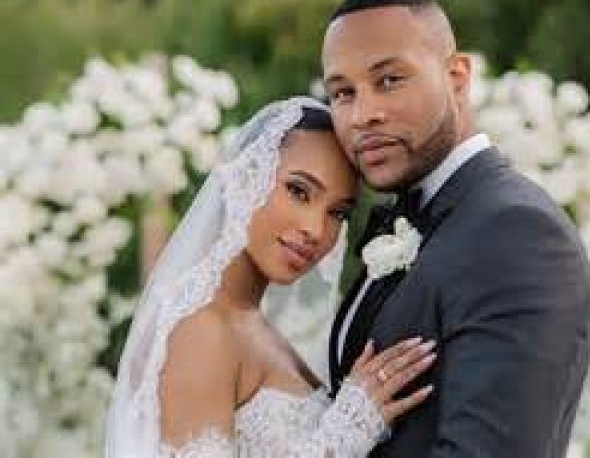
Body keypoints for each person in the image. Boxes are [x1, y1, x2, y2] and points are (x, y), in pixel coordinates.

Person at [322, 0, 590, 457]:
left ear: (456, 77)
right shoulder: (417, 217)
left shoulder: (517, 233)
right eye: (343, 92)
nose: (363, 115)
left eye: (388, 80)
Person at [105, 96, 436, 457]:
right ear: (246, 178)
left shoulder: (252, 324)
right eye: (299, 191)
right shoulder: (200, 330)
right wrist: (348, 433)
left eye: (337, 213)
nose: (315, 230)